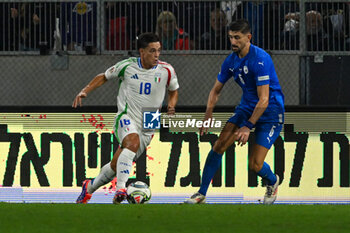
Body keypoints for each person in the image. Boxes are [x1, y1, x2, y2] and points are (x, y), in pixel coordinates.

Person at [185, 19, 284, 205]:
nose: (233, 42)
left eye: (237, 38)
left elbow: (263, 99)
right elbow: (215, 90)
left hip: (270, 111)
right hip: (246, 108)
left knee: (255, 165)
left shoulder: (260, 59)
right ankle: (201, 194)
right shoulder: (231, 61)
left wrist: (247, 127)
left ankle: (272, 181)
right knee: (219, 145)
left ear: (249, 37)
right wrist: (208, 115)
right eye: (230, 37)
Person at [73, 32, 179, 204]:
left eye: (158, 50)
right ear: (142, 51)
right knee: (132, 141)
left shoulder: (167, 69)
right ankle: (120, 189)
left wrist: (171, 105)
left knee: (116, 165)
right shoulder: (127, 66)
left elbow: (173, 91)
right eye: (152, 51)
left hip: (150, 120)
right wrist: (85, 90)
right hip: (126, 115)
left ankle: (89, 187)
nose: (157, 55)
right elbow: (104, 76)